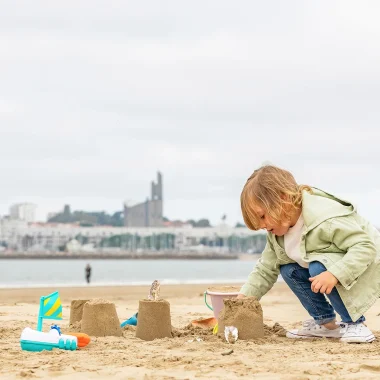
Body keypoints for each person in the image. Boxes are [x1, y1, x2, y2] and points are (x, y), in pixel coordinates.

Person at [238, 165, 380, 343]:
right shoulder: (277, 234)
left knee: (318, 267)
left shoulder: (324, 218)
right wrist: (242, 301)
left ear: (284, 199)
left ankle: (355, 324)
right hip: (336, 264)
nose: (261, 225)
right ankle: (326, 324)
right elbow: (265, 269)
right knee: (289, 269)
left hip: (368, 264)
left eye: (262, 216)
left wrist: (335, 274)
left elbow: (365, 247)